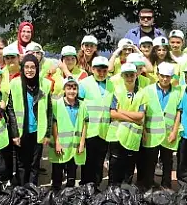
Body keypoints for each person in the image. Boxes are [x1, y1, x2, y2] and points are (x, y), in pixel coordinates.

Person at [9, 54, 48, 185]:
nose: (29, 70)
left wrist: (47, 133)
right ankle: (22, 190)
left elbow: (49, 110)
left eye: (33, 67)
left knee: (34, 163)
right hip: (21, 131)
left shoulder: (44, 84)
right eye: (26, 67)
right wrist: (14, 134)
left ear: (37, 68)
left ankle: (32, 191)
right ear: (22, 68)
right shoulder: (15, 84)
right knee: (21, 164)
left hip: (38, 131)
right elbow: (11, 110)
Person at [108, 61, 145, 186]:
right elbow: (112, 114)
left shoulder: (142, 93)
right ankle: (112, 190)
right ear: (122, 76)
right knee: (115, 164)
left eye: (132, 75)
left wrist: (121, 112)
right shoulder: (116, 91)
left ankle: (125, 191)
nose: (129, 78)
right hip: (116, 135)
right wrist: (133, 119)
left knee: (129, 165)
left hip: (132, 137)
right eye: (126, 75)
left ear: (136, 75)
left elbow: (140, 115)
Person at [78, 56, 113, 186]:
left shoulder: (112, 84)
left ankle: (96, 185)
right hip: (89, 129)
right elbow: (79, 106)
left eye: (105, 71)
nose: (102, 73)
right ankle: (86, 185)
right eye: (99, 70)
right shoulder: (84, 84)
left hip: (105, 130)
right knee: (88, 160)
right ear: (92, 69)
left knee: (99, 160)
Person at [50, 77, 86, 191]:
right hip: (61, 145)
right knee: (57, 172)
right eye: (69, 88)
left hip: (74, 146)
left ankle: (69, 195)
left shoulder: (82, 105)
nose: (72, 91)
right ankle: (56, 194)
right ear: (64, 89)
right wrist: (57, 142)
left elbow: (85, 124)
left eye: (74, 88)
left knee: (72, 172)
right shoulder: (57, 104)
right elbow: (54, 124)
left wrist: (82, 142)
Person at [150, 63, 182, 189]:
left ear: (172, 77)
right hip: (152, 133)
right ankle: (150, 184)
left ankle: (166, 185)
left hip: (168, 134)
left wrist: (174, 131)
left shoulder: (176, 92)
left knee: (167, 161)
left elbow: (179, 112)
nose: (164, 79)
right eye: (162, 76)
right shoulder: (149, 90)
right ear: (157, 75)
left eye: (168, 77)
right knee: (150, 161)